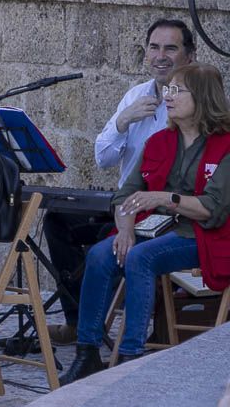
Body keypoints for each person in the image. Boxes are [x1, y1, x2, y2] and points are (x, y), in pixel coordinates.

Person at [62, 63, 230, 384]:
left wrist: (166, 199)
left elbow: (212, 209)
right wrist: (124, 228)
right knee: (100, 254)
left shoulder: (225, 146)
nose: (168, 96)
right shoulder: (159, 142)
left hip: (203, 234)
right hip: (152, 230)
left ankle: (131, 356)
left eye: (177, 90)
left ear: (203, 98)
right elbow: (125, 195)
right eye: (167, 90)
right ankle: (88, 353)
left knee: (142, 257)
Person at [45, 19, 196, 343]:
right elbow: (104, 158)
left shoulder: (195, 101)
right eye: (154, 47)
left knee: (109, 241)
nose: (161, 56)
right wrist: (123, 122)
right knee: (58, 221)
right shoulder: (135, 95)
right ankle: (77, 322)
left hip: (166, 210)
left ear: (189, 56)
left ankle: (138, 327)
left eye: (171, 48)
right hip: (126, 202)